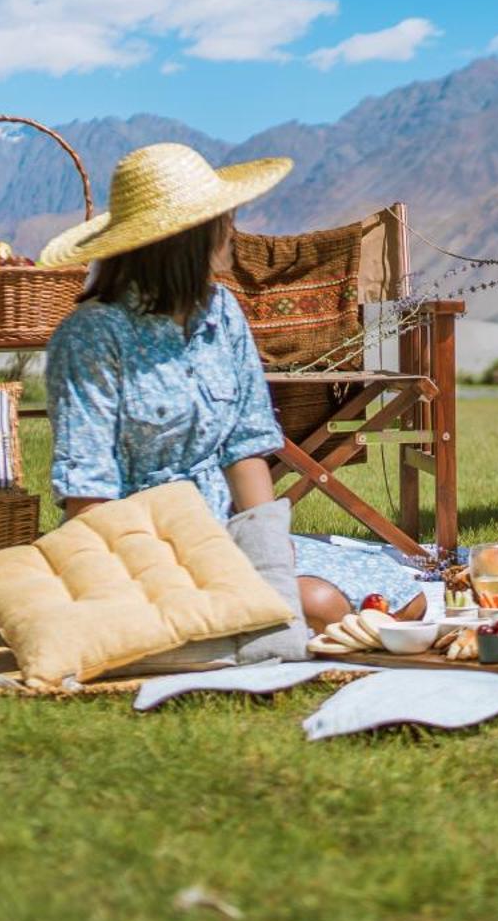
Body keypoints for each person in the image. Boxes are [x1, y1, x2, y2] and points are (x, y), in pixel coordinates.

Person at [39, 143, 423, 630]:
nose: (233, 230)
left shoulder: (220, 311)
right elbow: (88, 495)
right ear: (188, 237)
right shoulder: (90, 336)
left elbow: (246, 444)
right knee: (324, 606)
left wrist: (270, 555)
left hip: (221, 535)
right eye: (225, 218)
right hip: (134, 552)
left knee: (402, 601)